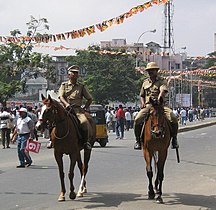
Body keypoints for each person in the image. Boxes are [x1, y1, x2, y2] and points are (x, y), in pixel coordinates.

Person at [133, 62, 179, 150]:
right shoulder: (145, 82)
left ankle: (174, 139)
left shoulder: (162, 81)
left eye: (152, 70)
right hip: (149, 106)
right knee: (137, 119)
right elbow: (142, 95)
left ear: (156, 71)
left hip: (161, 105)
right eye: (149, 70)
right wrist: (142, 103)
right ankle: (138, 140)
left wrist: (159, 98)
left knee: (173, 118)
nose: (150, 72)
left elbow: (163, 90)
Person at [58, 65, 93, 150]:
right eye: (73, 73)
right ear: (68, 75)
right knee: (54, 120)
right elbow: (61, 97)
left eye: (76, 73)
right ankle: (51, 140)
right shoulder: (64, 85)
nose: (75, 75)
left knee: (84, 122)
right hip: (65, 109)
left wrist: (85, 108)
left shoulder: (81, 86)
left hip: (77, 110)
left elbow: (89, 98)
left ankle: (85, 142)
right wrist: (66, 104)